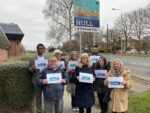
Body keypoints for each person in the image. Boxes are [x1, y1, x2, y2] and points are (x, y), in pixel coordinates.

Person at [28, 43, 48, 113]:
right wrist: (32, 69)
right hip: (36, 80)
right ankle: (39, 111)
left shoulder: (47, 57)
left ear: (44, 49)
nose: (40, 49)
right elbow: (29, 69)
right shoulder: (32, 58)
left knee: (47, 96)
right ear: (37, 49)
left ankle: (46, 110)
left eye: (42, 48)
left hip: (46, 79)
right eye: (39, 48)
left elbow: (51, 67)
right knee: (38, 97)